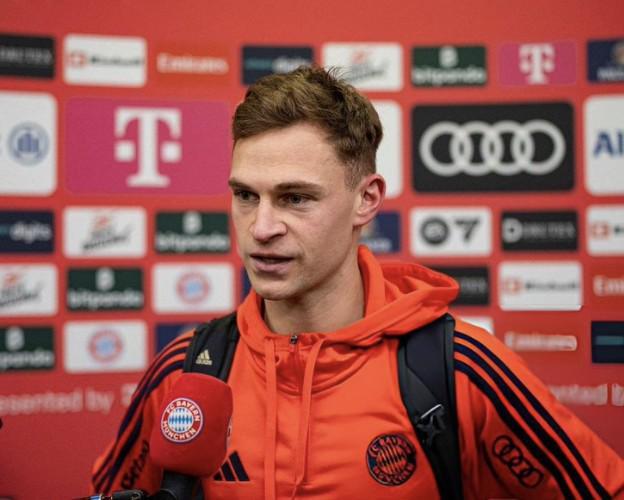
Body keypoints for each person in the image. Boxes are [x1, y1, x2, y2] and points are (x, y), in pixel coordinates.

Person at [90, 66, 624, 499]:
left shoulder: (461, 370)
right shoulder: (186, 371)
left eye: (295, 198)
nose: (262, 227)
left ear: (366, 200)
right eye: (246, 196)